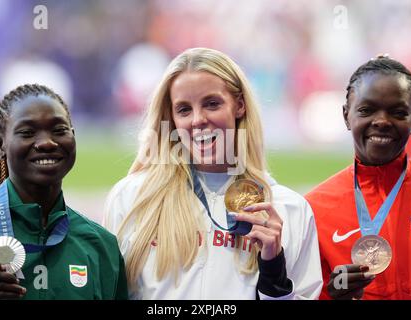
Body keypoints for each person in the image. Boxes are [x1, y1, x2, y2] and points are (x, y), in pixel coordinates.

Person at [103, 47, 322, 300]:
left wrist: (274, 273)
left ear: (239, 105)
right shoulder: (132, 198)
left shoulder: (289, 209)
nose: (198, 120)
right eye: (184, 109)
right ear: (171, 118)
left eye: (212, 104)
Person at [0, 84, 128, 300]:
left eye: (59, 130)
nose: (46, 142)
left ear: (73, 136)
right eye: (27, 132)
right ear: (0, 145)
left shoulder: (101, 246)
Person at [305, 55, 411, 300]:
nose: (382, 121)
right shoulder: (313, 210)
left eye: (398, 112)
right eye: (367, 110)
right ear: (346, 116)